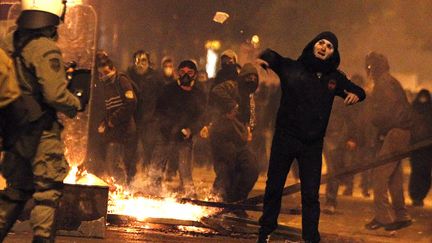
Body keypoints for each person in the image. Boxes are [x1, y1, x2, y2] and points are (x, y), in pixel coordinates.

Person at [256, 31, 365, 243]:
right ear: (313, 45)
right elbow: (271, 55)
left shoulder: (334, 78)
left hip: (312, 145)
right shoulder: (292, 67)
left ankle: (311, 238)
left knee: (310, 195)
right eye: (320, 43)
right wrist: (262, 59)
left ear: (333, 53)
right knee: (274, 188)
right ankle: (265, 232)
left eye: (329, 46)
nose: (323, 47)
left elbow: (359, 90)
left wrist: (357, 95)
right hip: (285, 139)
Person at [0, 1, 83, 242]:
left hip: (16, 129)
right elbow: (55, 94)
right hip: (41, 132)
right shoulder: (45, 47)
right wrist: (76, 103)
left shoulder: (9, 42)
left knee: (14, 192)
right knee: (47, 192)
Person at [364, 51, 413, 231]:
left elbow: (386, 112)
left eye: (370, 66)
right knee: (394, 176)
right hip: (401, 132)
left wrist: (381, 129)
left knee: (379, 174)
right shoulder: (390, 81)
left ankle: (384, 217)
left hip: (394, 132)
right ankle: (401, 215)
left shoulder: (383, 83)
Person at [148, 60, 205, 194]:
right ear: (178, 73)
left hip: (185, 138)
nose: (186, 76)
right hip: (165, 135)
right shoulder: (168, 90)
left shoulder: (199, 94)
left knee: (185, 172)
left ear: (195, 75)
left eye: (189, 73)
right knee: (156, 170)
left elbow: (201, 116)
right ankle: (154, 194)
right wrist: (169, 128)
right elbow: (159, 112)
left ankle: (190, 198)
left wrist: (191, 130)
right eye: (182, 72)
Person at [210, 63, 260, 207]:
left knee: (251, 169)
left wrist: (250, 129)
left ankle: (237, 201)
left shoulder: (250, 98)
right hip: (222, 138)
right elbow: (217, 90)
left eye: (254, 77)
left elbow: (252, 118)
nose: (251, 80)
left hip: (240, 141)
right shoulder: (232, 86)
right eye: (248, 76)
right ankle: (216, 200)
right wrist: (232, 105)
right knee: (226, 171)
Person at [96, 53, 138, 184]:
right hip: (115, 130)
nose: (103, 75)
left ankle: (122, 188)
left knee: (115, 163)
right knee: (113, 162)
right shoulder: (106, 84)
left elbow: (131, 103)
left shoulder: (121, 80)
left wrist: (113, 120)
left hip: (124, 129)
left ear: (111, 67)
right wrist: (105, 122)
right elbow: (109, 107)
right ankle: (122, 186)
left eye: (105, 71)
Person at [126, 50, 163, 169]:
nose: (140, 64)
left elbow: (162, 98)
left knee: (150, 151)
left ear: (148, 62)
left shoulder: (156, 78)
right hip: (132, 119)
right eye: (137, 61)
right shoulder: (128, 77)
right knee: (130, 151)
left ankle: (150, 177)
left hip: (150, 120)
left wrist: (157, 116)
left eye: (143, 61)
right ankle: (130, 177)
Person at [409, 89, 432, 207]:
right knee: (416, 172)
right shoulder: (414, 109)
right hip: (416, 148)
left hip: (428, 149)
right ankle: (415, 196)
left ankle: (420, 195)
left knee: (425, 173)